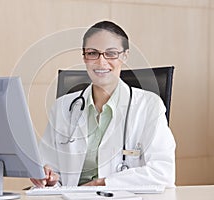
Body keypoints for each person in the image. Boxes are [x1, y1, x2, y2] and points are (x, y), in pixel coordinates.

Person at [30, 21, 176, 188]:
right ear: (84, 56)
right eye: (92, 53)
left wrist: (103, 183)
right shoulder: (62, 107)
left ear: (125, 56)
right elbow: (49, 170)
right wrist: (49, 179)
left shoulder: (149, 106)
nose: (101, 62)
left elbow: (163, 173)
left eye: (111, 53)